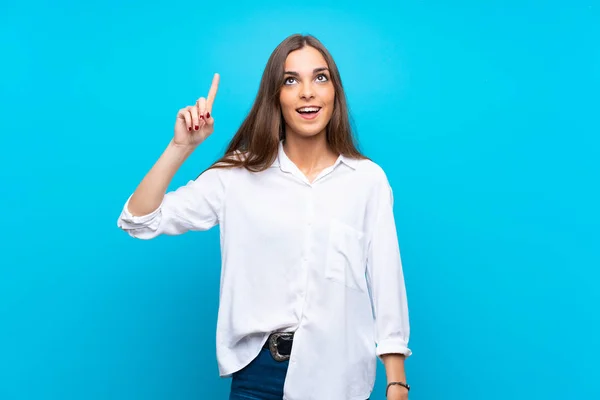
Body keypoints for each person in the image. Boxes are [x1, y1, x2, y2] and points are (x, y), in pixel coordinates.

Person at [116, 33, 411, 400]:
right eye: (291, 80)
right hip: (258, 375)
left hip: (339, 377)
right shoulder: (238, 175)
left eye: (320, 78)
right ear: (276, 96)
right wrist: (181, 147)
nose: (308, 92)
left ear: (335, 92)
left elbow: (386, 280)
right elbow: (139, 220)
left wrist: (396, 380)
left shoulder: (367, 180)